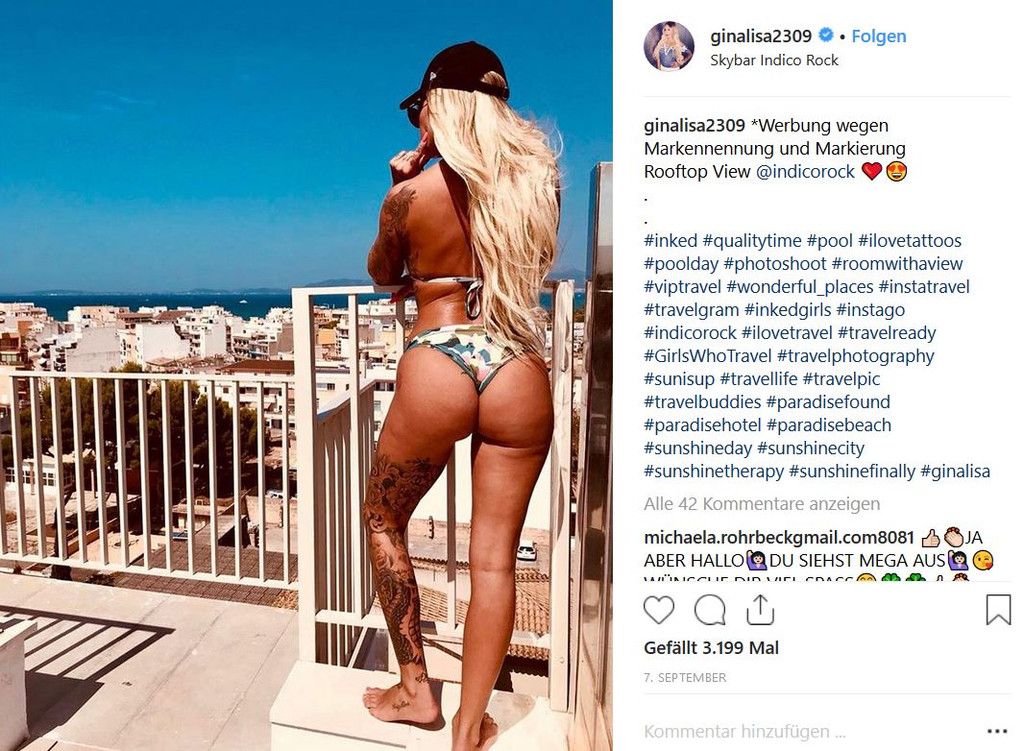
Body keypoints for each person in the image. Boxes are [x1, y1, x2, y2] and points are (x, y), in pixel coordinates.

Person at [359, 42, 559, 751]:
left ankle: (417, 690)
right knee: (495, 559)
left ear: (437, 108)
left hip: (439, 358)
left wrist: (396, 185)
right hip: (516, 364)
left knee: (383, 519)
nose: (416, 120)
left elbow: (383, 272)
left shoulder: (411, 195)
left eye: (419, 108)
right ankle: (472, 726)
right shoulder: (539, 188)